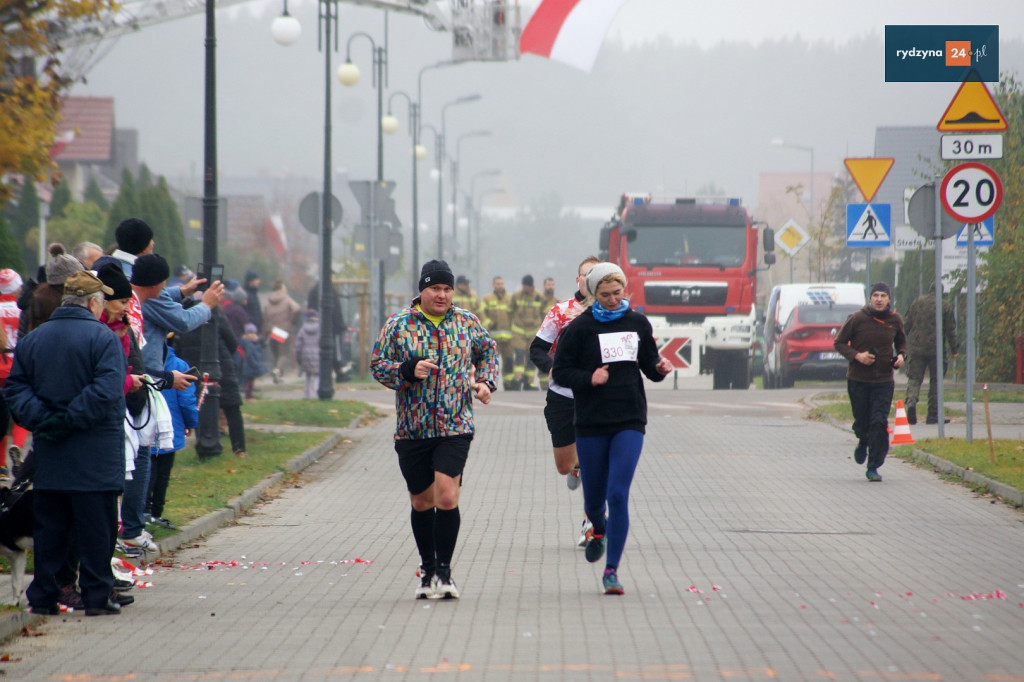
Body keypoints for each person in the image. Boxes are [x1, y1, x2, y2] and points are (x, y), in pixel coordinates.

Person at [371, 259, 498, 600]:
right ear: (422, 291)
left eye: (446, 289)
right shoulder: (399, 324)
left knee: (446, 495)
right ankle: (427, 570)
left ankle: (445, 572)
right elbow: (379, 366)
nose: (442, 295)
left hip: (455, 424)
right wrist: (408, 370)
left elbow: (488, 352)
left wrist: (485, 381)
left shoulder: (466, 321)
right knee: (421, 501)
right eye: (435, 289)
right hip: (413, 429)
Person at [5, 270, 126, 616]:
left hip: (51, 455)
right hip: (94, 455)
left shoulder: (33, 340)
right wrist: (70, 418)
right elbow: (105, 391)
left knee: (50, 529)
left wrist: (44, 419)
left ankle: (43, 595)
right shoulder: (103, 339)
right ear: (92, 302)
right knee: (95, 531)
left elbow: (16, 388)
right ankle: (96, 595)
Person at [552, 262, 672, 595]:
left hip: (629, 419)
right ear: (593, 293)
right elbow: (561, 372)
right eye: (604, 295)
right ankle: (598, 529)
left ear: (625, 291)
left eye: (617, 293)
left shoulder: (636, 322)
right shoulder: (580, 328)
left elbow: (649, 364)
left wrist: (660, 368)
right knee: (594, 500)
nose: (610, 300)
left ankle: (611, 571)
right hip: (591, 422)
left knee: (618, 494)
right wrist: (589, 378)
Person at [530, 256, 601, 548]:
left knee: (595, 459)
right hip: (562, 395)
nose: (591, 282)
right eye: (587, 276)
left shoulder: (611, 312)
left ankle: (591, 521)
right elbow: (537, 349)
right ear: (578, 281)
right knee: (564, 465)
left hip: (596, 397)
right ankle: (574, 468)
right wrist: (552, 367)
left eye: (597, 276)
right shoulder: (561, 312)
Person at [833, 282, 907, 482]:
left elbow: (902, 343)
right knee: (862, 422)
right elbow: (839, 343)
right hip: (858, 380)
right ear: (870, 298)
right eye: (876, 295)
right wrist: (857, 356)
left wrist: (901, 356)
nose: (879, 299)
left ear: (889, 299)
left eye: (883, 295)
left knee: (879, 422)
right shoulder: (857, 319)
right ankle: (862, 440)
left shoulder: (895, 320)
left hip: (883, 380)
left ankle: (873, 466)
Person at [148, 342, 199, 531]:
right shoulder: (179, 366)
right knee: (163, 474)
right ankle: (156, 513)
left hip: (145, 426)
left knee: (146, 470)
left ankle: (143, 510)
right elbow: (187, 400)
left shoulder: (143, 364)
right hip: (171, 427)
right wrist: (191, 422)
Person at [903, 285, 958, 425]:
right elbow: (950, 330)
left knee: (914, 379)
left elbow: (906, 325)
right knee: (936, 381)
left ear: (930, 290)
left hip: (916, 348)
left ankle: (911, 403)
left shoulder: (917, 302)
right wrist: (954, 349)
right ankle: (933, 415)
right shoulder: (945, 306)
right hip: (936, 350)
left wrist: (901, 344)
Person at [510, 274, 546, 391]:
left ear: (531, 286)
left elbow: (544, 314)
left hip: (533, 332)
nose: (524, 288)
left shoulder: (539, 296)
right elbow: (510, 311)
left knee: (531, 357)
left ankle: (528, 382)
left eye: (526, 286)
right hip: (519, 332)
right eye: (523, 286)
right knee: (519, 355)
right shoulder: (516, 296)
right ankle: (517, 379)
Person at [261, 279, 302, 382]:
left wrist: (265, 334)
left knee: (277, 354)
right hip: (284, 330)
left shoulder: (268, 302)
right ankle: (277, 371)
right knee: (284, 354)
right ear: (281, 289)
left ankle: (277, 375)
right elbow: (297, 309)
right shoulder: (286, 299)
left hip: (272, 331)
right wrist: (293, 322)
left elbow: (264, 318)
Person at [481, 276, 515, 390]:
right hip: (493, 338)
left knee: (509, 361)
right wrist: (489, 323)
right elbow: (482, 313)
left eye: (501, 283)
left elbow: (514, 314)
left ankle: (509, 384)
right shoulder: (487, 299)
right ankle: (491, 383)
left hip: (508, 338)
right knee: (493, 363)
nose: (500, 286)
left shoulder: (510, 298)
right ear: (493, 285)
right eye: (497, 284)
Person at [295, 310, 322, 399]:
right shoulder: (320, 328)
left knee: (307, 375)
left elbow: (298, 345)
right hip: (317, 353)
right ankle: (317, 394)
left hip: (305, 354)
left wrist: (298, 357)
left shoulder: (302, 329)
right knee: (317, 375)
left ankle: (306, 395)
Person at [238, 322, 267, 400]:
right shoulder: (248, 344)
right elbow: (250, 356)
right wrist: (255, 364)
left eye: (254, 333)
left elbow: (259, 350)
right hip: (249, 366)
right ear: (246, 334)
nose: (253, 335)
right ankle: (248, 396)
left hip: (252, 366)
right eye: (250, 333)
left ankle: (250, 395)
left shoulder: (253, 343)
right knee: (248, 383)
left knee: (251, 382)